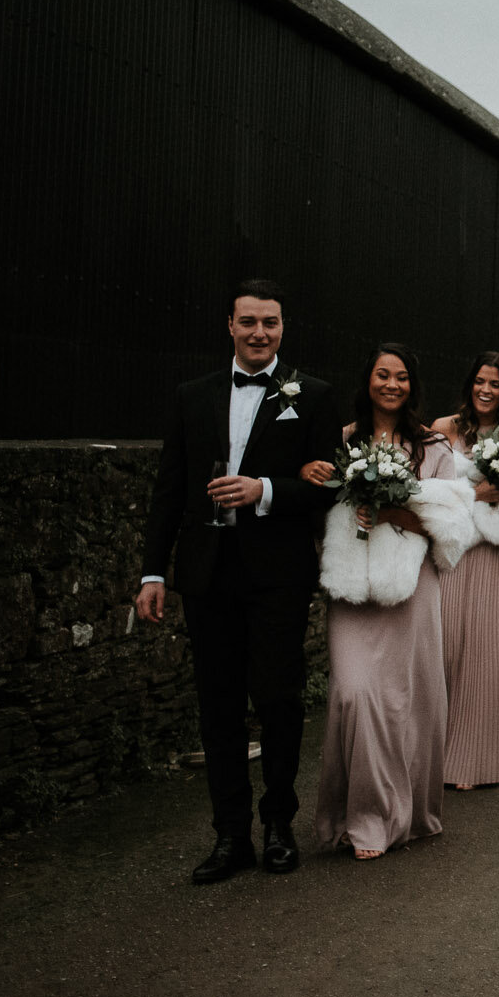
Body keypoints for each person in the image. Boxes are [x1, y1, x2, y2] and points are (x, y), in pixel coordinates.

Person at [136, 280, 341, 883]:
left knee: (277, 700)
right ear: (229, 324)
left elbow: (330, 484)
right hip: (207, 574)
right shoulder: (191, 395)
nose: (260, 333)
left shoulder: (310, 395)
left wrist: (266, 491)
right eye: (249, 322)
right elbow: (168, 490)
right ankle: (230, 836)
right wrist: (153, 571)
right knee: (218, 708)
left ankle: (279, 824)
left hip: (278, 575)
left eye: (271, 323)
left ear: (283, 327)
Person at [311, 344, 476, 859]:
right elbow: (317, 508)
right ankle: (354, 812)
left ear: (412, 386)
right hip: (352, 587)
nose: (391, 384)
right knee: (355, 694)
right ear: (367, 382)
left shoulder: (433, 448)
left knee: (406, 699)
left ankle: (386, 818)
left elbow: (454, 530)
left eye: (402, 377)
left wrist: (394, 513)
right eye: (383, 375)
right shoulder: (341, 442)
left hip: (411, 587)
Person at [431, 353, 499, 790]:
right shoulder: (441, 429)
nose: (485, 390)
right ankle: (433, 757)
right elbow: (427, 486)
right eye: (479, 381)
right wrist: (474, 493)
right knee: (446, 648)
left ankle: (475, 760)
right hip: (453, 548)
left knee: (489, 653)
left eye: (494, 383)